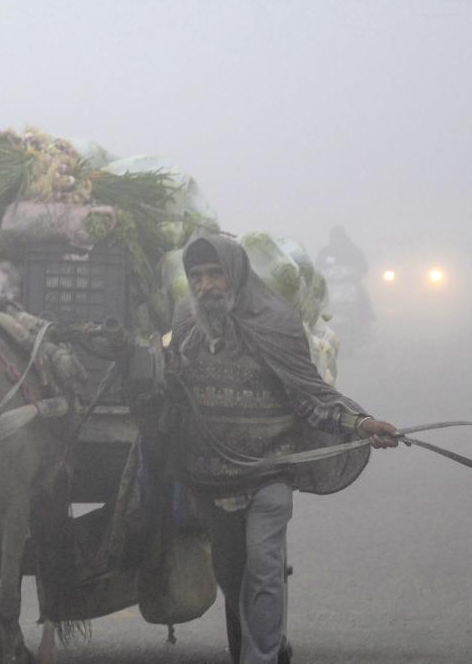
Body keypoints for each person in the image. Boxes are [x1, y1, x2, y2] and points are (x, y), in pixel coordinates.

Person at [163, 235, 399, 664]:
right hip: (208, 476)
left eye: (214, 274)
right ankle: (261, 644)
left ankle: (262, 657)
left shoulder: (275, 323)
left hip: (269, 472)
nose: (205, 285)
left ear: (234, 274)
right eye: (196, 276)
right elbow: (172, 393)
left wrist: (360, 424)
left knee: (264, 567)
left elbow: (309, 397)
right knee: (230, 576)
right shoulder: (184, 327)